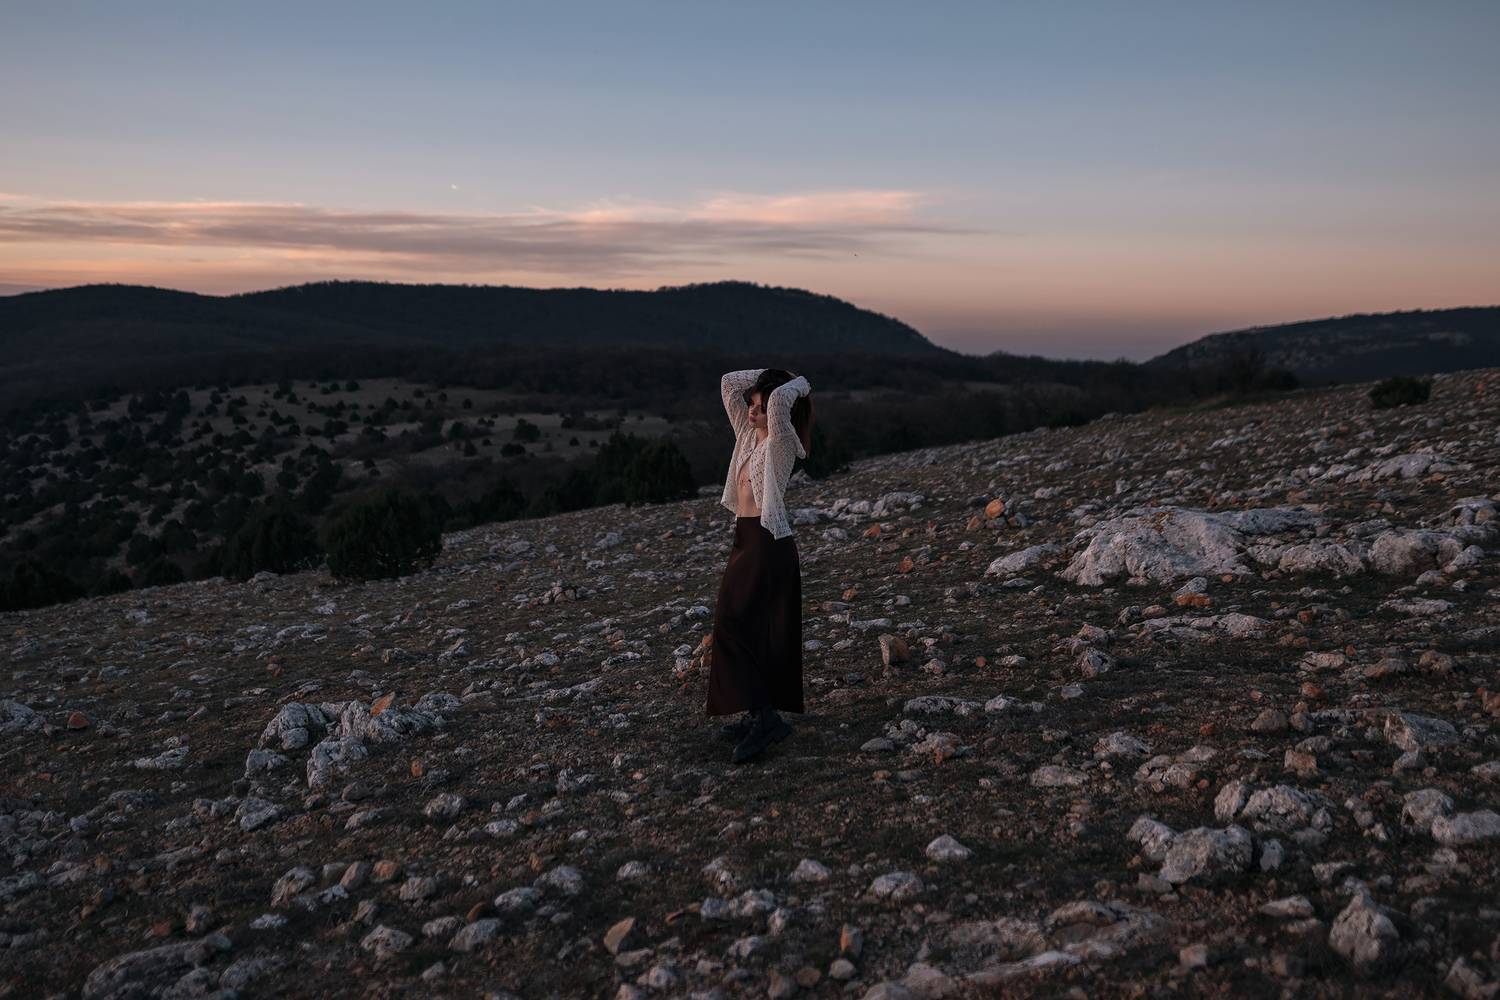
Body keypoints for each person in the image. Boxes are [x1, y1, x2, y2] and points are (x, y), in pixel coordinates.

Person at [707, 367, 814, 763]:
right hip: (745, 540)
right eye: (751, 406)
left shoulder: (781, 442)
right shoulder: (746, 437)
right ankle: (759, 713)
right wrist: (772, 376)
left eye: (760, 407)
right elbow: (727, 383)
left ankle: (766, 718)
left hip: (769, 544)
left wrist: (797, 382)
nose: (752, 412)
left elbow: (785, 400)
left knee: (734, 624)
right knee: (741, 627)